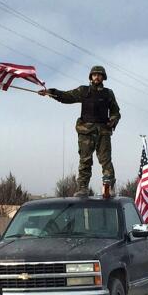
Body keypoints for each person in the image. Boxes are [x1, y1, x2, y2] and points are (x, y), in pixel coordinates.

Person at [39, 65, 121, 198]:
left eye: (99, 75)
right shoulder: (84, 91)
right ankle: (83, 188)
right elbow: (67, 96)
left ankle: (109, 187)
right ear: (91, 77)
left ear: (103, 77)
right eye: (94, 75)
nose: (97, 77)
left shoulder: (108, 93)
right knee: (85, 160)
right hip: (86, 131)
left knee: (106, 160)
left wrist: (113, 120)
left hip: (103, 132)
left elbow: (115, 111)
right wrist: (50, 92)